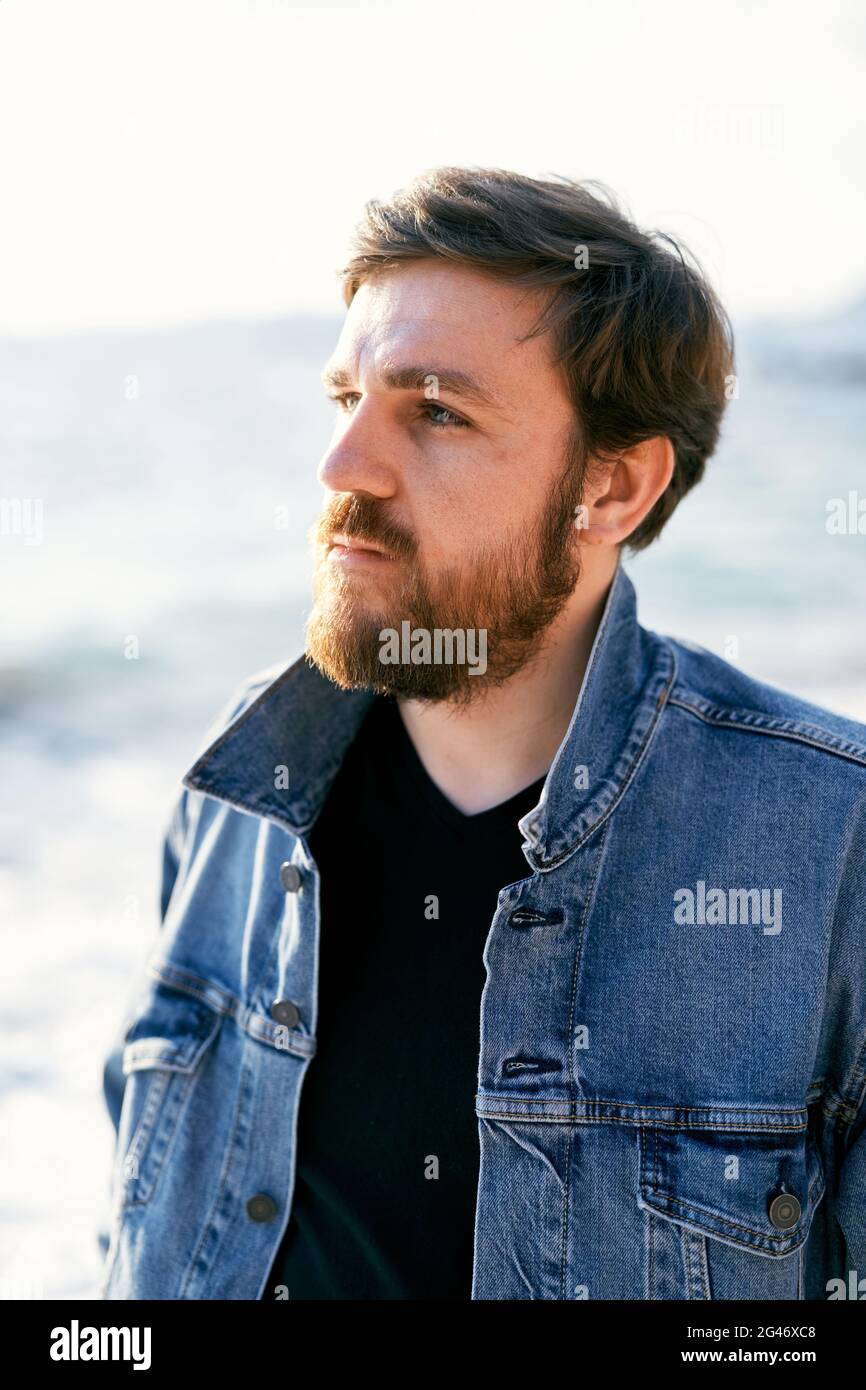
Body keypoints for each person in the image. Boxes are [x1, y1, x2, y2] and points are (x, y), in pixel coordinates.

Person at [99, 166, 866, 1300]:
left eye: (437, 412)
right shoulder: (240, 790)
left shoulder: (826, 844)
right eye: (342, 398)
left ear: (609, 489)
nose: (340, 467)